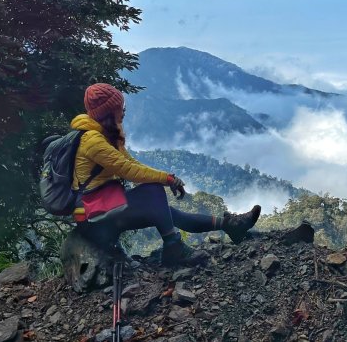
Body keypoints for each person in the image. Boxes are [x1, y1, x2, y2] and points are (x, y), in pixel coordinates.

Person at [71, 83, 261, 267]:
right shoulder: (93, 141)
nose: (124, 111)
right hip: (95, 216)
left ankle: (231, 226)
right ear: (109, 113)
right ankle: (174, 248)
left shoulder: (104, 136)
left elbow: (131, 163)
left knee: (168, 214)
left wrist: (165, 176)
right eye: (121, 107)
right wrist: (166, 179)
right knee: (153, 191)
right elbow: (127, 170)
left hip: (103, 208)